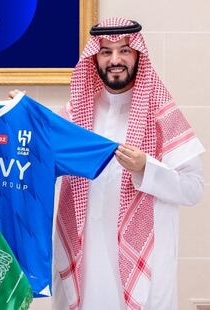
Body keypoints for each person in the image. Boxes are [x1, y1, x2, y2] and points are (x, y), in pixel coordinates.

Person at [53, 17, 205, 310]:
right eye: (106, 51)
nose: (115, 60)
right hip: (85, 261)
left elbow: (193, 189)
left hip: (144, 260)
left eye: (124, 50)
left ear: (137, 54)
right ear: (94, 58)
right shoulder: (73, 116)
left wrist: (146, 168)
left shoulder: (163, 115)